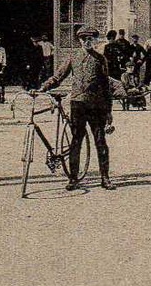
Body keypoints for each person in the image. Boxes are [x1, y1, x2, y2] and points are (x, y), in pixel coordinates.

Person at [37, 26, 117, 191]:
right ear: (79, 41)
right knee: (76, 141)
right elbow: (58, 77)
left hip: (97, 106)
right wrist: (42, 88)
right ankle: (73, 178)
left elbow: (106, 86)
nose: (87, 42)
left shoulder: (101, 59)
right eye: (84, 39)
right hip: (78, 104)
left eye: (91, 39)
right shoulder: (73, 57)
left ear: (95, 41)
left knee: (100, 141)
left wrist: (109, 111)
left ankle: (105, 177)